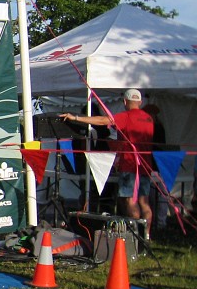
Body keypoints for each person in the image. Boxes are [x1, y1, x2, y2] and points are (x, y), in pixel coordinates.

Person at [60, 89, 154, 236]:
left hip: (129, 165)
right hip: (145, 165)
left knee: (130, 200)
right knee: (144, 202)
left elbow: (103, 121)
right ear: (140, 102)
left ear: (124, 102)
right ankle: (147, 234)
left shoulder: (126, 116)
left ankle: (135, 235)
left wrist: (76, 118)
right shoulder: (149, 119)